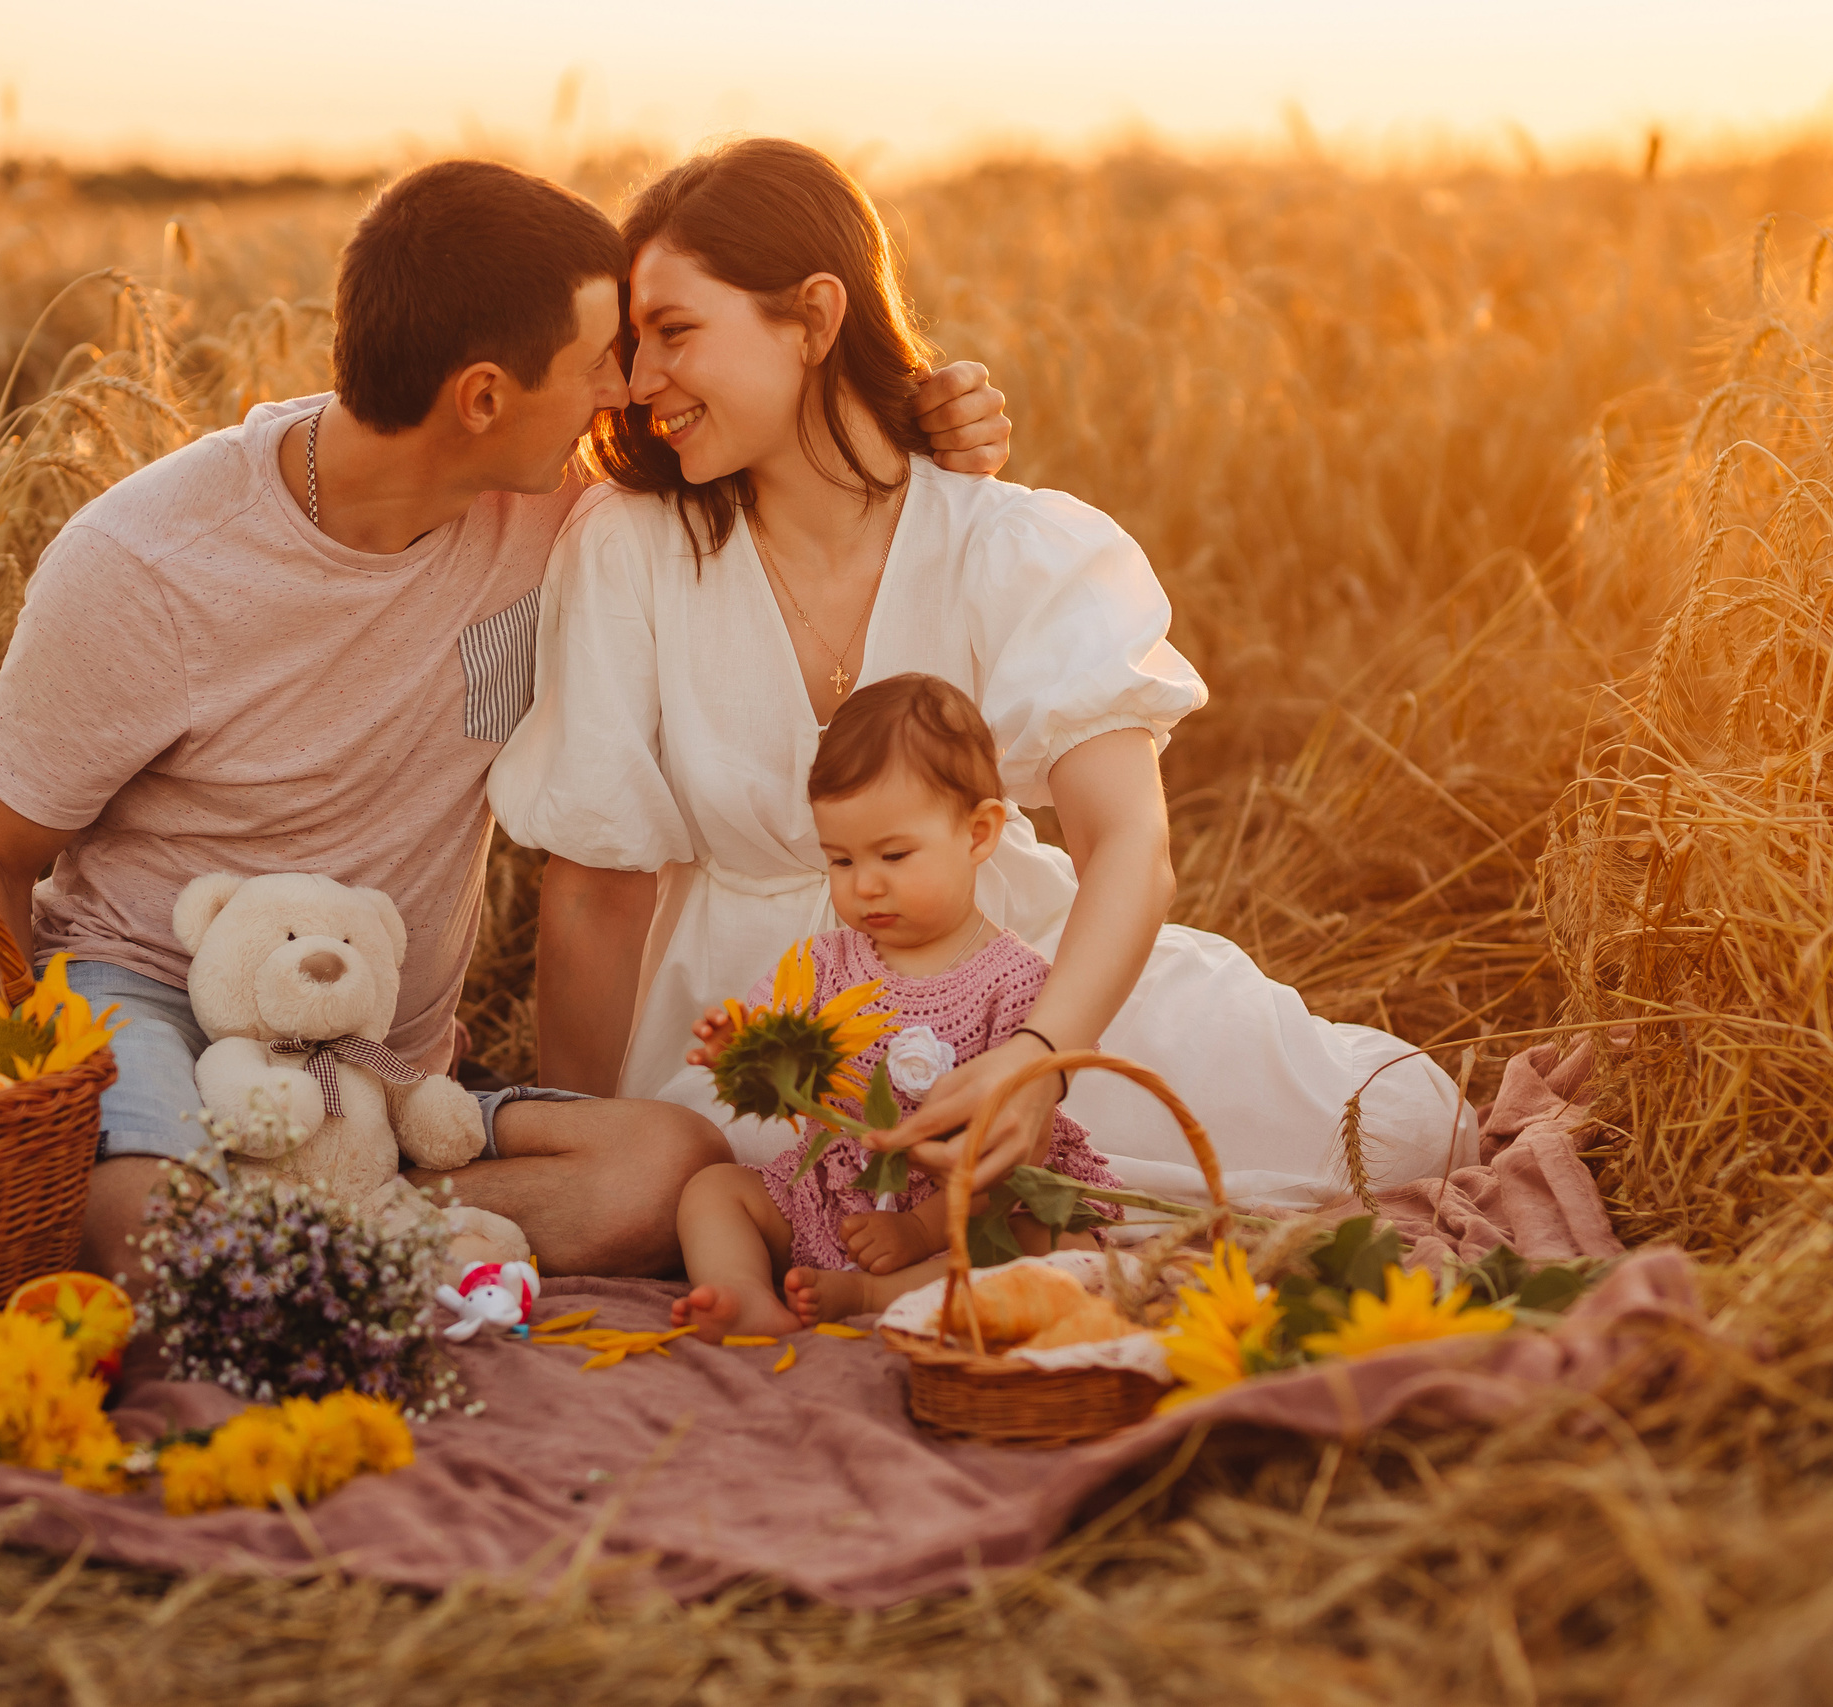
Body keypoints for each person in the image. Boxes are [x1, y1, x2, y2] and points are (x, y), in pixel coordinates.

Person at [0, 158, 1016, 1296]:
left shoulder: (563, 512)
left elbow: (778, 457)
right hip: (150, 995)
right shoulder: (144, 567)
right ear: (483, 399)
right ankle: (222, 1230)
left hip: (380, 1064)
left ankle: (272, 1241)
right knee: (149, 1223)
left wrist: (919, 431)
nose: (629, 388)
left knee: (664, 1163)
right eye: (600, 359)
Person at [491, 138, 1473, 1224]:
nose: (638, 381)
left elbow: (1125, 847)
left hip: (1002, 974)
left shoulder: (1014, 545)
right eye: (631, 345)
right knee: (740, 1186)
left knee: (1397, 1127)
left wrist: (1040, 1056)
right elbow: (592, 889)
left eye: (674, 333)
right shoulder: (628, 547)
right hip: (748, 1025)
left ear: (813, 320)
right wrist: (580, 1128)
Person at [668, 674, 1127, 1340]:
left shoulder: (1016, 982)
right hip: (836, 1196)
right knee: (712, 1191)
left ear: (977, 834)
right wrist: (738, 1044)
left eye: (893, 854)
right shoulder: (828, 961)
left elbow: (1013, 1150)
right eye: (841, 859)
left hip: (965, 1213)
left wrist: (919, 1227)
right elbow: (775, 1028)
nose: (866, 883)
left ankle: (871, 1294)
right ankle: (740, 1293)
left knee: (1057, 1243)